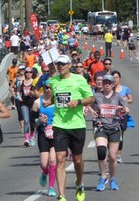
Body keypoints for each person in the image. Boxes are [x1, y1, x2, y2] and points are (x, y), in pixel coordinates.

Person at [49, 55, 95, 201]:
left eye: (63, 64)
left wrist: (78, 101)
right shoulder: (53, 81)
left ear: (69, 65)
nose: (60, 66)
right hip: (59, 124)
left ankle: (79, 183)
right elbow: (53, 98)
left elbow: (91, 98)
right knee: (60, 158)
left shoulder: (79, 79)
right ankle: (62, 195)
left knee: (77, 159)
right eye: (58, 64)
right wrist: (45, 101)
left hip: (77, 124)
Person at [91, 75, 129, 191]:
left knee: (113, 157)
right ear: (102, 84)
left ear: (113, 84)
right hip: (101, 127)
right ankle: (103, 176)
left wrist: (122, 109)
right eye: (105, 82)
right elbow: (88, 105)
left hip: (114, 128)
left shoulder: (118, 96)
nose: (107, 84)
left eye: (109, 83)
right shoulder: (97, 96)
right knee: (101, 152)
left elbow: (127, 109)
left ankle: (112, 179)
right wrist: (92, 111)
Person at [31, 80, 57, 197]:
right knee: (44, 163)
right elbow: (32, 121)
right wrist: (38, 121)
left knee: (52, 161)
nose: (49, 90)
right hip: (43, 134)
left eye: (51, 88)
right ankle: (44, 172)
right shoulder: (37, 102)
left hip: (56, 134)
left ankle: (51, 187)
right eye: (47, 88)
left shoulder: (58, 102)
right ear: (43, 88)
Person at [111, 70, 133, 163]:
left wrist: (125, 101)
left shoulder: (125, 89)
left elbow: (131, 99)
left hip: (122, 115)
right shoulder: (109, 89)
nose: (115, 79)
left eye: (117, 77)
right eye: (113, 78)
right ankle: (112, 154)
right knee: (111, 135)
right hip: (111, 115)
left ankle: (118, 155)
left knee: (120, 134)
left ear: (119, 78)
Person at [17, 67, 36, 147]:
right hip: (24, 103)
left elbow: (37, 91)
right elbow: (17, 91)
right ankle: (27, 139)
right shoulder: (22, 82)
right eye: (27, 72)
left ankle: (32, 135)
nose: (29, 73)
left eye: (30, 72)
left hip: (32, 103)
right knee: (26, 121)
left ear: (32, 73)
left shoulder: (34, 82)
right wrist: (19, 97)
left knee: (32, 121)